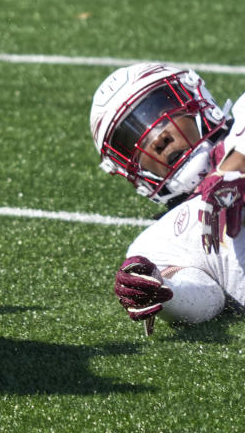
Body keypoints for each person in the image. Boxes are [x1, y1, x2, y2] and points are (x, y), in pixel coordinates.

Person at [90, 62, 245, 335]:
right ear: (128, 169)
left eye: (159, 113)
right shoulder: (158, 241)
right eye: (132, 139)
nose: (156, 139)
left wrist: (231, 168)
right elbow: (207, 300)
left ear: (194, 101)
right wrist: (161, 288)